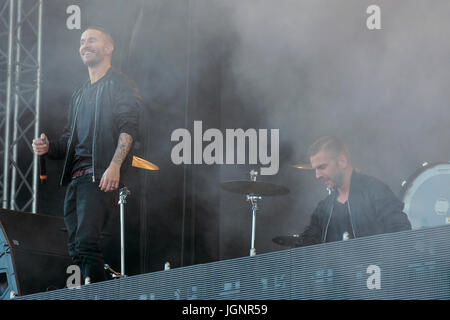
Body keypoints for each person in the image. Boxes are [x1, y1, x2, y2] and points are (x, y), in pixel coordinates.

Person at [32, 26, 142, 284]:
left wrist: (114, 167)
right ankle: (95, 288)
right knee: (76, 248)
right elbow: (70, 140)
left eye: (91, 40)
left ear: (108, 47)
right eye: (82, 41)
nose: (84, 45)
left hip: (99, 177)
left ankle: (98, 293)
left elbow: (129, 129)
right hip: (75, 181)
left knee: (85, 242)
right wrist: (49, 148)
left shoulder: (119, 84)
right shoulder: (79, 95)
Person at [298, 136, 411, 246]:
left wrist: (377, 263)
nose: (317, 175)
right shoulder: (323, 208)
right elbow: (307, 244)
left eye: (322, 167)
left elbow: (400, 232)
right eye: (315, 169)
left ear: (342, 161)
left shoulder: (375, 190)